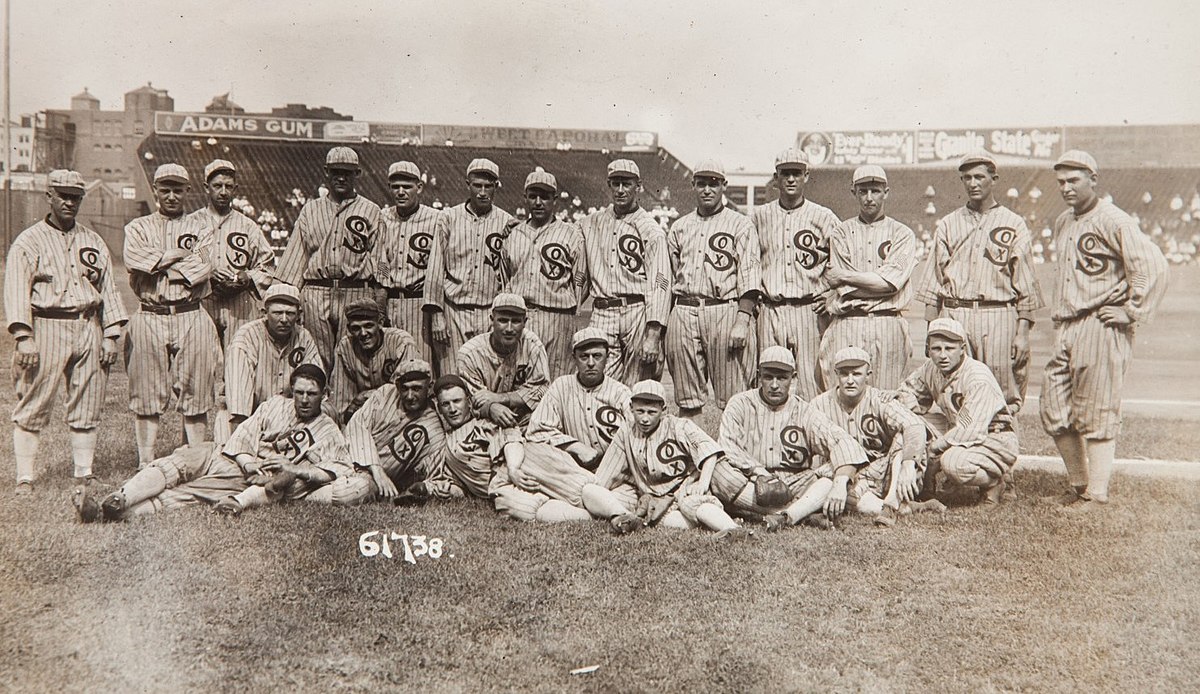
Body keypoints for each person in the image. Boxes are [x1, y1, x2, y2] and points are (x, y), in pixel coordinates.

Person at [1040, 150, 1169, 508]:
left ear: (1093, 179)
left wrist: (1132, 311)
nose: (1066, 188)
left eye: (1074, 181)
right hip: (1067, 323)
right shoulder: (1065, 220)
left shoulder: (1115, 220)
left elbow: (1152, 265)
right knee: (1054, 409)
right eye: (1061, 182)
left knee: (1096, 410)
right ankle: (1079, 484)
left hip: (1100, 323)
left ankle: (1096, 494)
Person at [5, 169, 129, 494]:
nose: (69, 201)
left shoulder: (92, 240)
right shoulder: (29, 240)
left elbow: (109, 289)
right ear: (49, 196)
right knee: (34, 399)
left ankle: (84, 472)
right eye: (63, 194)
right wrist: (23, 336)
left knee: (88, 400)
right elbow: (16, 288)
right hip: (46, 323)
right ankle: (25, 478)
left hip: (89, 324)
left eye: (75, 196)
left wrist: (112, 334)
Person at [914, 150, 1044, 412]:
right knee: (957, 392)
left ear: (993, 179)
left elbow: (1026, 287)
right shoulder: (949, 224)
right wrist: (931, 334)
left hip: (998, 314)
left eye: (979, 177)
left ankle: (1004, 451)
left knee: (1003, 395)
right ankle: (965, 451)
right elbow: (932, 286)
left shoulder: (1013, 223)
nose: (973, 183)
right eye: (967, 178)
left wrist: (1022, 334)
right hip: (955, 314)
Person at [123, 163, 220, 467]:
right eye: (165, 189)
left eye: (178, 189)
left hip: (191, 313)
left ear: (187, 191)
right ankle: (145, 461)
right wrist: (179, 256)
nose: (172, 195)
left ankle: (194, 461)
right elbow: (134, 260)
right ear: (155, 191)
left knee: (197, 391)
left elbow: (204, 268)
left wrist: (159, 262)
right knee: (147, 392)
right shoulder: (137, 227)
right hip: (150, 312)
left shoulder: (203, 226)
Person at [710, 347, 868, 531]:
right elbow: (727, 446)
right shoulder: (740, 403)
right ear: (759, 376)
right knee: (719, 471)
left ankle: (783, 516)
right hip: (750, 482)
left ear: (793, 378)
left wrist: (840, 483)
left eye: (782, 378)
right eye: (769, 377)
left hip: (794, 483)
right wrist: (759, 472)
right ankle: (801, 513)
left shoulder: (804, 410)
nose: (775, 385)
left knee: (832, 472)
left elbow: (844, 443)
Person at [580, 380, 754, 540]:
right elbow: (606, 474)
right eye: (640, 411)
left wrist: (702, 483)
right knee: (591, 490)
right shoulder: (626, 431)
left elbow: (709, 451)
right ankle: (628, 519)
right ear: (631, 407)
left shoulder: (678, 426)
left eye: (652, 412)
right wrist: (599, 494)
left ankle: (732, 529)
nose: (645, 418)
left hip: (682, 489)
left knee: (691, 504)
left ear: (663, 410)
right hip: (649, 496)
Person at [664, 160, 761, 418]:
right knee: (687, 399)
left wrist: (743, 319)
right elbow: (671, 274)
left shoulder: (740, 224)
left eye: (713, 184)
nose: (707, 189)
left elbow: (750, 274)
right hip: (684, 310)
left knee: (735, 399)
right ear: (693, 185)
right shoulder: (679, 226)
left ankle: (734, 457)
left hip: (724, 310)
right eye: (702, 183)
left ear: (723, 186)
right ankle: (695, 457)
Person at [274, 146, 384, 369]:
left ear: (357, 174)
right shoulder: (310, 210)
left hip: (355, 290)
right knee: (316, 356)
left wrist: (379, 296)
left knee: (354, 357)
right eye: (335, 172)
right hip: (316, 291)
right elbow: (294, 260)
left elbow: (382, 260)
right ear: (326, 172)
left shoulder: (371, 210)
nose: (341, 177)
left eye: (347, 172)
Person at [212, 365, 370, 515]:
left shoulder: (328, 429)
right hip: (245, 465)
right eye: (299, 393)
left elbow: (338, 469)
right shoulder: (275, 405)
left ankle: (237, 502)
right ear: (292, 391)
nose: (305, 400)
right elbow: (242, 437)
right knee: (193, 460)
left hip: (277, 481)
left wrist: (295, 470)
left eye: (312, 394)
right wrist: (248, 463)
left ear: (324, 395)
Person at [811, 346, 942, 526]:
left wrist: (908, 464)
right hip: (849, 472)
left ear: (868, 374)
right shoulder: (819, 404)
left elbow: (915, 426)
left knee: (903, 437)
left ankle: (892, 502)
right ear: (835, 373)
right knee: (842, 496)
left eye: (856, 374)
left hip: (886, 471)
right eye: (844, 374)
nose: (850, 380)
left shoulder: (880, 399)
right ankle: (904, 508)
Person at [896, 318, 1017, 505]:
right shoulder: (931, 368)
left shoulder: (977, 376)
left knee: (953, 463)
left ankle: (996, 482)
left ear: (962, 348)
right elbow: (907, 392)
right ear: (928, 350)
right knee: (913, 426)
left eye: (949, 348)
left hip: (994, 438)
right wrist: (908, 406)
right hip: (960, 429)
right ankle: (925, 485)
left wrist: (935, 448)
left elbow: (970, 429)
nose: (943, 355)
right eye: (936, 349)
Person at [817, 165, 917, 390]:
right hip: (848, 321)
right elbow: (847, 290)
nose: (869, 198)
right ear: (854, 193)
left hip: (888, 323)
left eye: (875, 191)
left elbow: (890, 283)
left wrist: (844, 276)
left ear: (886, 192)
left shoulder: (902, 234)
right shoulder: (840, 232)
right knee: (841, 395)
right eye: (863, 191)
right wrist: (877, 285)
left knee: (888, 396)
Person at [753, 148, 842, 399]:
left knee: (812, 385)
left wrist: (833, 293)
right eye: (785, 174)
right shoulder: (759, 217)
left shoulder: (824, 217)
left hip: (809, 310)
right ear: (776, 178)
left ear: (806, 176)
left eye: (797, 173)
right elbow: (749, 263)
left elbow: (843, 262)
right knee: (770, 382)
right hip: (770, 309)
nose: (791, 179)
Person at [578, 159, 670, 386]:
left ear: (638, 186)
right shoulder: (589, 224)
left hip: (637, 312)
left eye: (626, 184)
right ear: (608, 184)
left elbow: (660, 282)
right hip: (602, 311)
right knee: (599, 384)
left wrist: (653, 333)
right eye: (616, 183)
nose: (620, 190)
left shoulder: (651, 229)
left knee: (639, 385)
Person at [422, 158, 514, 374]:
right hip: (455, 311)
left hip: (489, 313)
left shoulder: (506, 222)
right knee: (452, 377)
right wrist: (437, 315)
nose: (482, 192)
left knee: (487, 376)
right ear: (467, 184)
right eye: (477, 185)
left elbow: (509, 274)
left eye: (488, 186)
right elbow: (435, 268)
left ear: (495, 187)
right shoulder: (448, 218)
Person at [503, 170, 587, 376]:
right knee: (519, 378)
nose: (538, 202)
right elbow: (505, 277)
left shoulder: (571, 234)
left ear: (555, 200)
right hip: (521, 318)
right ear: (525, 198)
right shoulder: (513, 234)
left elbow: (581, 278)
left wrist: (571, 312)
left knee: (556, 380)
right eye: (533, 196)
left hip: (558, 318)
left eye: (545, 196)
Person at [344, 358, 462, 503]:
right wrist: (378, 471)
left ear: (429, 387)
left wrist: (429, 487)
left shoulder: (434, 429)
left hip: (367, 480)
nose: (410, 396)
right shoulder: (385, 393)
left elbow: (434, 473)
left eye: (417, 388)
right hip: (347, 458)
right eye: (405, 389)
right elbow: (357, 425)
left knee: (359, 490)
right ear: (398, 386)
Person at [190, 159, 275, 347]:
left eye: (228, 186)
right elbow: (181, 261)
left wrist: (248, 276)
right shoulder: (191, 223)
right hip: (203, 300)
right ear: (206, 187)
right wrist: (207, 273)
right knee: (203, 365)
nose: (223, 192)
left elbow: (267, 264)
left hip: (239, 304)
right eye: (217, 186)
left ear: (235, 189)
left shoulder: (247, 225)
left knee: (238, 363)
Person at [223, 284, 322, 429]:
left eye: (290, 313)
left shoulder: (303, 337)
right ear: (264, 312)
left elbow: (316, 385)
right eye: (277, 313)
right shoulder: (246, 338)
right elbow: (239, 405)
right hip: (248, 417)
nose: (284, 319)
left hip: (289, 416)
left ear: (299, 314)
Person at [378, 160, 441, 362]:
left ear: (419, 187)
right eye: (396, 187)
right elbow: (383, 263)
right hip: (392, 301)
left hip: (420, 304)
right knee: (391, 362)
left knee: (421, 363)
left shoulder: (437, 219)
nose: (401, 192)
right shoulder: (382, 218)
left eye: (407, 186)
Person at [456, 294, 550, 427]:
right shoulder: (469, 354)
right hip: (482, 421)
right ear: (492, 319)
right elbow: (473, 400)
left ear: (525, 322)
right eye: (503, 320)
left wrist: (501, 398)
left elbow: (542, 389)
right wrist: (491, 408)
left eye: (516, 321)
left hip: (524, 419)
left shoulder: (532, 346)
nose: (509, 329)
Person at [329, 299, 418, 424]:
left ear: (380, 323)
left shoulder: (401, 342)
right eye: (356, 328)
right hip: (363, 416)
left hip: (401, 414)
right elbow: (341, 400)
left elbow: (409, 391)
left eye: (368, 325)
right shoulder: (346, 346)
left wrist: (373, 396)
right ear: (349, 329)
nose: (363, 333)